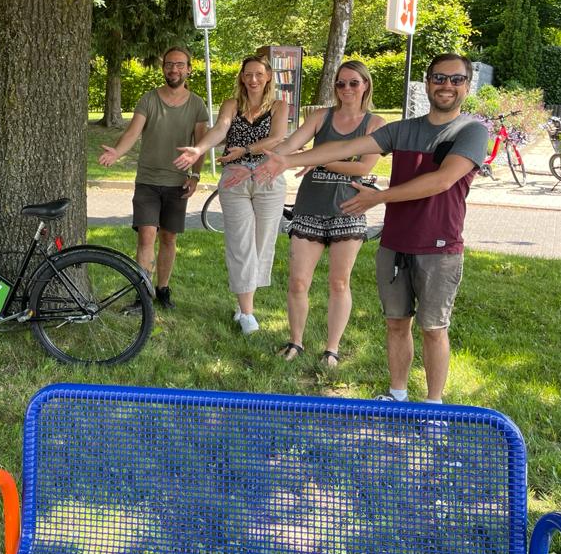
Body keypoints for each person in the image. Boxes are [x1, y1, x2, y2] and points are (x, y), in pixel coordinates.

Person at [257, 54, 488, 403]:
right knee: (396, 324)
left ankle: (434, 406)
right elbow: (347, 147)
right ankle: (397, 395)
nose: (447, 86)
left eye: (456, 80)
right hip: (394, 243)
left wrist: (378, 198)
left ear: (467, 86)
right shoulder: (403, 129)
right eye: (439, 78)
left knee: (433, 329)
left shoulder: (470, 131)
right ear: (427, 83)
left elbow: (441, 181)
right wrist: (288, 159)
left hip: (439, 247)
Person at [271, 60, 386, 366]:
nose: (346, 88)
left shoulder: (375, 124)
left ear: (365, 85)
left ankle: (331, 349)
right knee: (297, 282)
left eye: (353, 83)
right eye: (340, 83)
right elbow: (292, 144)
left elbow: (363, 167)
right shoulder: (321, 117)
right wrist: (269, 159)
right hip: (310, 207)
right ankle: (295, 341)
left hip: (348, 209)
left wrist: (317, 160)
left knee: (339, 283)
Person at [173, 55, 287, 334]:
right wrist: (199, 150)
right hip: (235, 178)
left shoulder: (280, 106)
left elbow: (277, 138)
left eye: (259, 74)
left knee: (261, 245)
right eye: (248, 74)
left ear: (268, 76)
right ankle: (248, 314)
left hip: (267, 177)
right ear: (242, 77)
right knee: (240, 244)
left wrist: (246, 150)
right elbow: (221, 128)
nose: (253, 79)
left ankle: (243, 303)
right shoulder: (231, 104)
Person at [98, 47, 208, 309]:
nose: (174, 69)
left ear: (189, 69)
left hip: (178, 182)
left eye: (180, 65)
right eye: (170, 64)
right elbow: (132, 132)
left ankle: (163, 289)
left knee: (169, 238)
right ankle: (143, 293)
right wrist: (118, 152)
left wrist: (195, 175)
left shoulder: (197, 105)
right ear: (163, 68)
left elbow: (200, 144)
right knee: (147, 235)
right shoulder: (148, 99)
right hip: (147, 180)